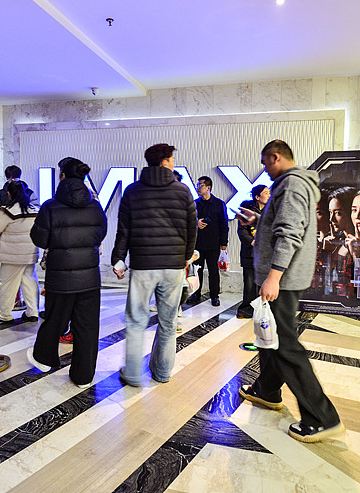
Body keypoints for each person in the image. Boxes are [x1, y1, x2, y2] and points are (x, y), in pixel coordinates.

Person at [237, 139, 344, 443]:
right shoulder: (292, 184)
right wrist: (258, 219)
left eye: (264, 162)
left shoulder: (292, 184)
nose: (264, 169)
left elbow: (290, 234)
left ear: (275, 156)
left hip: (280, 280)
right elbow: (283, 226)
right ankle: (267, 390)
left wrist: (274, 277)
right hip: (279, 278)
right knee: (270, 338)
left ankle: (323, 417)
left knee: (285, 345)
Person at [111, 143, 197, 386]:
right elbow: (192, 230)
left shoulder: (132, 191)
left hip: (143, 266)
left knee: (136, 321)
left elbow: (123, 230)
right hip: (173, 266)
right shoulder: (183, 192)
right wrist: (185, 256)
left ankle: (133, 374)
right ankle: (162, 373)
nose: (173, 163)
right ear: (164, 162)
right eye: (171, 159)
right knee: (168, 323)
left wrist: (118, 259)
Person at [29, 158, 107, 388]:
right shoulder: (94, 206)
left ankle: (44, 358)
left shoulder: (50, 206)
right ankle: (83, 377)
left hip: (60, 277)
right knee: (87, 327)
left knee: (54, 319)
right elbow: (100, 234)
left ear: (62, 176)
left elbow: (40, 239)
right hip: (90, 277)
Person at [0, 181, 40, 323]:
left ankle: (4, 314)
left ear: (9, 194)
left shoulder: (7, 210)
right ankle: (33, 311)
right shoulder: (34, 209)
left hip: (11, 255)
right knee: (30, 282)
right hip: (30, 253)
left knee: (7, 283)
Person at [186, 176, 228, 307]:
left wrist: (224, 243)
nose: (198, 188)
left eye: (201, 185)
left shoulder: (219, 204)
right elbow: (187, 220)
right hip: (197, 243)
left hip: (214, 242)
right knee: (197, 270)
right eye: (198, 185)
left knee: (213, 271)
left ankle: (214, 296)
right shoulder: (194, 203)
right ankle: (196, 293)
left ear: (208, 187)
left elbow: (224, 224)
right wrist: (196, 222)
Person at [236, 184, 270, 318]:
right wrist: (253, 242)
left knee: (265, 283)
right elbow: (242, 231)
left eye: (269, 193)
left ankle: (264, 310)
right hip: (250, 253)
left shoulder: (270, 210)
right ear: (257, 197)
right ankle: (246, 310)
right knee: (249, 283)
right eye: (266, 193)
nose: (268, 195)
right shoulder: (247, 210)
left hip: (266, 254)